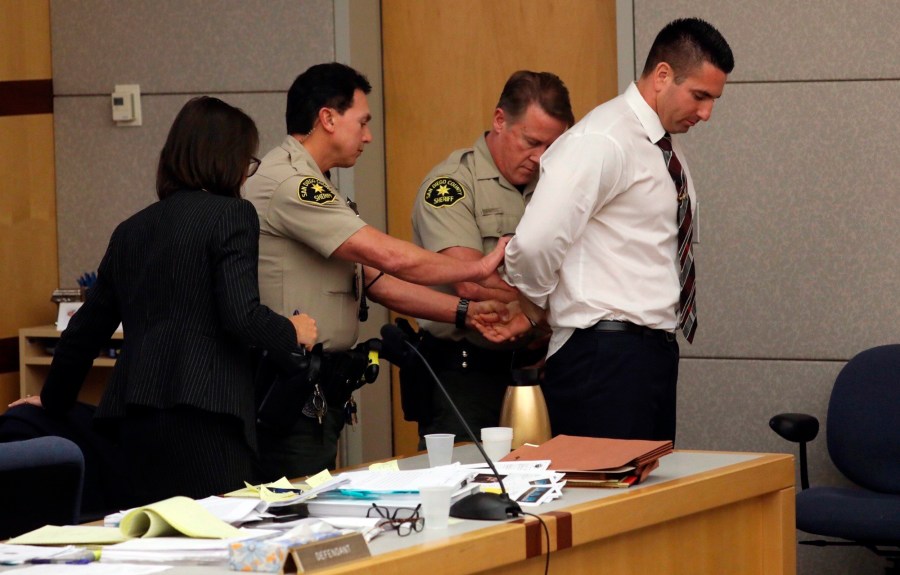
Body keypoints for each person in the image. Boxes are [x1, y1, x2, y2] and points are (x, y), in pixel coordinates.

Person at [9, 96, 318, 506]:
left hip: (133, 420)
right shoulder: (232, 215)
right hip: (207, 415)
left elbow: (84, 331)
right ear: (227, 159)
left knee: (153, 539)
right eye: (247, 159)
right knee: (218, 536)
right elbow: (240, 316)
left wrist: (51, 401)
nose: (246, 171)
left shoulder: (130, 230)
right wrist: (292, 331)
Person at [244, 62, 511, 480]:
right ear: (327, 119)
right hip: (288, 393)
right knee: (293, 516)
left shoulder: (318, 182)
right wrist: (477, 267)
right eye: (362, 122)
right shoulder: (293, 184)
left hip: (316, 392)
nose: (368, 136)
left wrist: (464, 311)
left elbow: (376, 280)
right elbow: (390, 257)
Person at [503, 18, 734, 442]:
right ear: (662, 75)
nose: (706, 113)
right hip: (604, 355)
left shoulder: (661, 145)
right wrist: (533, 305)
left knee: (645, 502)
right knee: (607, 499)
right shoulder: (604, 139)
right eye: (699, 96)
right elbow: (535, 242)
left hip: (649, 352)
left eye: (713, 100)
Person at [409, 71, 573, 445]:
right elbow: (472, 282)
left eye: (553, 146)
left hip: (538, 370)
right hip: (466, 374)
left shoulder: (558, 185)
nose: (541, 157)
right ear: (500, 121)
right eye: (531, 142)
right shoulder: (451, 185)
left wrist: (539, 317)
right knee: (467, 490)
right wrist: (542, 309)